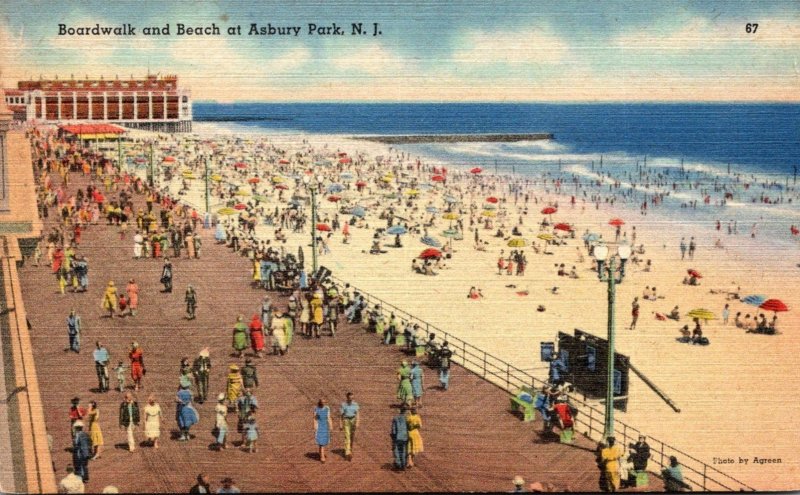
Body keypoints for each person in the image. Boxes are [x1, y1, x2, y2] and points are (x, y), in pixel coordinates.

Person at [340, 392, 360, 460]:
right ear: (347, 398)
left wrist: (357, 422)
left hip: (353, 420)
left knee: (352, 436)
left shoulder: (355, 404)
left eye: (352, 398)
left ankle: (350, 449)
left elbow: (357, 414)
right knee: (347, 436)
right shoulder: (343, 405)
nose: (351, 399)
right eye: (350, 398)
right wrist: (340, 424)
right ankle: (347, 452)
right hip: (346, 420)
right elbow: (341, 415)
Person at [391, 406, 409, 470]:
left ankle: (398, 464)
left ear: (400, 410)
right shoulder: (407, 418)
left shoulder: (395, 418)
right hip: (405, 437)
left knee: (397, 451)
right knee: (404, 450)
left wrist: (392, 437)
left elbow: (393, 430)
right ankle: (403, 464)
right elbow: (408, 427)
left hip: (397, 437)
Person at [314, 398, 332, 463]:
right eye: (322, 402)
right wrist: (315, 426)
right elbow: (315, 419)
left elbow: (328, 417)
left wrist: (330, 425)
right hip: (319, 426)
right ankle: (322, 457)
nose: (323, 403)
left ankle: (320, 453)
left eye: (324, 402)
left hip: (325, 426)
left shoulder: (327, 408)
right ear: (320, 402)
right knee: (321, 443)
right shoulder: (316, 409)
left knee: (323, 442)